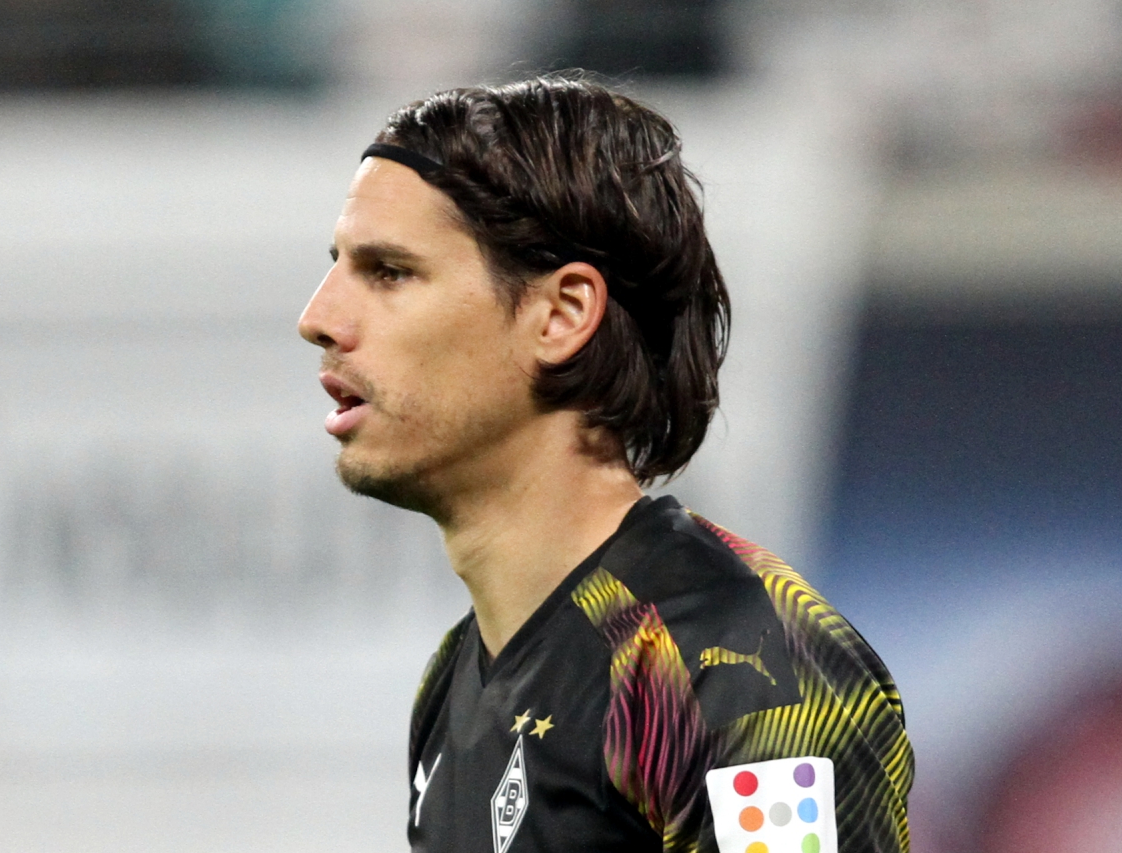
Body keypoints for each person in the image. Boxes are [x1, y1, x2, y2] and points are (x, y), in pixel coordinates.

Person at [298, 76, 913, 853]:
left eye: (389, 271)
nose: (318, 318)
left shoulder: (744, 666)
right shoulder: (455, 679)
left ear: (561, 314)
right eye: (339, 266)